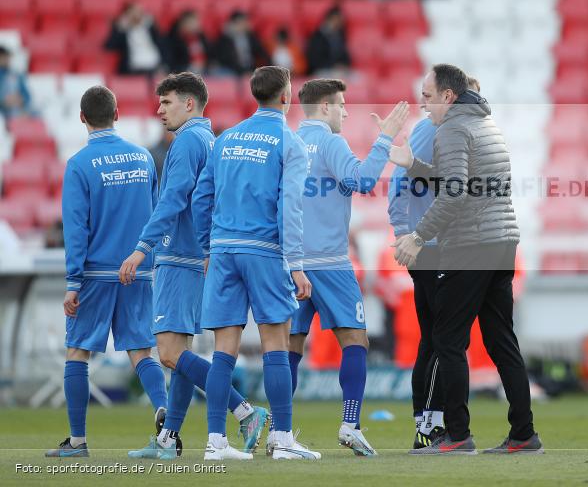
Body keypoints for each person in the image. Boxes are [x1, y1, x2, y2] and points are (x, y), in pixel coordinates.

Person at [391, 64, 541, 455]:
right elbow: (457, 179)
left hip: (471, 245)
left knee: (447, 339)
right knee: (502, 341)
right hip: (503, 243)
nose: (424, 105)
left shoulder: (454, 128)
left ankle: (457, 435)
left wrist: (418, 236)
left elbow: (454, 193)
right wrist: (413, 165)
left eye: (428, 96)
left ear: (448, 96)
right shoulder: (486, 124)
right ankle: (524, 433)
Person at [120, 72, 267, 460]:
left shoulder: (186, 143)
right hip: (195, 255)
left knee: (168, 353)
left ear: (189, 104)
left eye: (166, 102)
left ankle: (244, 410)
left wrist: (142, 247)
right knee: (180, 352)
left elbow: (173, 200)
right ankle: (169, 438)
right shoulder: (209, 139)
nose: (159, 110)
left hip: (178, 256)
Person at [191, 66, 319, 461]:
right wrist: (295, 263)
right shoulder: (289, 141)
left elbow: (201, 197)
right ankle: (281, 439)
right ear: (286, 96)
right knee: (276, 345)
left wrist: (207, 248)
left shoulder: (226, 138)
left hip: (225, 249)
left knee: (223, 351)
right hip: (263, 251)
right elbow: (290, 207)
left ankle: (216, 443)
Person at [289, 78, 409, 457]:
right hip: (330, 263)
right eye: (341, 105)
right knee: (355, 340)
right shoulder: (329, 142)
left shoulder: (287, 142)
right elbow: (364, 180)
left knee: (288, 347)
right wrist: (385, 139)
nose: (345, 112)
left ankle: (280, 432)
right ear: (324, 107)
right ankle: (350, 424)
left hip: (289, 262)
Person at [47, 86, 168, 457]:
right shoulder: (144, 157)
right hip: (139, 269)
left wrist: (72, 282)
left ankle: (78, 441)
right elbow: (155, 211)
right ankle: (166, 420)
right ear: (117, 114)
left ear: (82, 118)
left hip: (96, 273)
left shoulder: (80, 164)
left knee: (78, 352)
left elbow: (76, 227)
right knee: (141, 351)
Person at [388, 75, 480, 450]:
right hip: (431, 246)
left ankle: (428, 425)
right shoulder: (431, 129)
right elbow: (401, 177)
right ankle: (429, 424)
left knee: (437, 340)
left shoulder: (456, 131)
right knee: (443, 340)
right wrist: (403, 232)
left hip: (443, 244)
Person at [104, 2, 166, 75]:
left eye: (139, 12)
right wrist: (120, 29)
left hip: (155, 66)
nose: (136, 15)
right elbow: (109, 46)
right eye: (133, 12)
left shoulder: (150, 27)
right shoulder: (123, 30)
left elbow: (162, 45)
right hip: (134, 69)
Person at [212, 11, 270, 76]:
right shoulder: (225, 39)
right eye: (240, 23)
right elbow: (227, 59)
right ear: (233, 24)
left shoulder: (250, 36)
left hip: (250, 69)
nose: (244, 25)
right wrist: (242, 72)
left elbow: (261, 52)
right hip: (232, 70)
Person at [304, 6, 351, 76]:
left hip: (337, 71)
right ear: (331, 19)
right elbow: (314, 61)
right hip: (321, 71)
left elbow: (345, 57)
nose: (340, 23)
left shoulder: (339, 35)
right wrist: (333, 65)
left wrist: (343, 65)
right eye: (338, 20)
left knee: (358, 78)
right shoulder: (318, 37)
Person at [167, 10, 209, 74]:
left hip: (205, 69)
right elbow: (173, 61)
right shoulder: (175, 40)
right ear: (183, 24)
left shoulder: (201, 37)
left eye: (196, 22)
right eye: (191, 22)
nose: (195, 25)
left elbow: (211, 54)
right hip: (185, 71)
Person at [0, 45, 35, 119]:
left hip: (16, 111)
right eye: (3, 57)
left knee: (33, 114)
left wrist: (21, 99)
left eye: (7, 57)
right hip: (2, 112)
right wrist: (3, 102)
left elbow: (27, 96)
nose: (6, 60)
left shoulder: (16, 75)